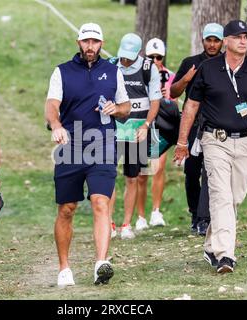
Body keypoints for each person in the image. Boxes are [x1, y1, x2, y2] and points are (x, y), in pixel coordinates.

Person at [173, 20, 247, 273]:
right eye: (238, 36)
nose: (244, 41)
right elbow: (191, 106)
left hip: (246, 141)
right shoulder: (208, 69)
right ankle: (225, 255)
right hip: (214, 140)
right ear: (227, 41)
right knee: (220, 195)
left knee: (234, 198)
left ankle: (210, 245)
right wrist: (181, 142)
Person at [45, 23, 130, 286]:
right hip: (71, 143)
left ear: (102, 44)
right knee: (67, 208)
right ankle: (64, 268)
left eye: (95, 42)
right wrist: (56, 125)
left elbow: (126, 107)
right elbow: (51, 105)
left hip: (103, 143)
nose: (90, 46)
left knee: (100, 202)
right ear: (78, 43)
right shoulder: (62, 72)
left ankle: (101, 263)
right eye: (86, 42)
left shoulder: (113, 71)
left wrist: (117, 109)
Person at [170, 23, 224, 236]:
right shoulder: (190, 62)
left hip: (217, 126)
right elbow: (173, 93)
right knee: (192, 171)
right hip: (192, 126)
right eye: (208, 40)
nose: (212, 44)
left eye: (216, 40)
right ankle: (195, 214)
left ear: (222, 42)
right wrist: (186, 78)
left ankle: (206, 218)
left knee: (210, 173)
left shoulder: (224, 64)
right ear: (203, 40)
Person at [109, 33, 162, 240]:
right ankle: (109, 223)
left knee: (132, 178)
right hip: (114, 130)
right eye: (123, 55)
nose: (125, 60)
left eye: (129, 56)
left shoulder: (149, 69)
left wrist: (147, 125)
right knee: (109, 177)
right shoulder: (112, 65)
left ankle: (126, 225)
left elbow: (155, 100)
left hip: (137, 131)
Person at [140, 37, 177, 229]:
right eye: (151, 57)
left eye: (159, 57)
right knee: (140, 172)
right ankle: (140, 216)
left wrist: (167, 97)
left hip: (160, 126)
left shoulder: (170, 76)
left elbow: (175, 105)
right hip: (140, 124)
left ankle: (156, 211)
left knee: (159, 167)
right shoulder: (137, 74)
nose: (155, 60)